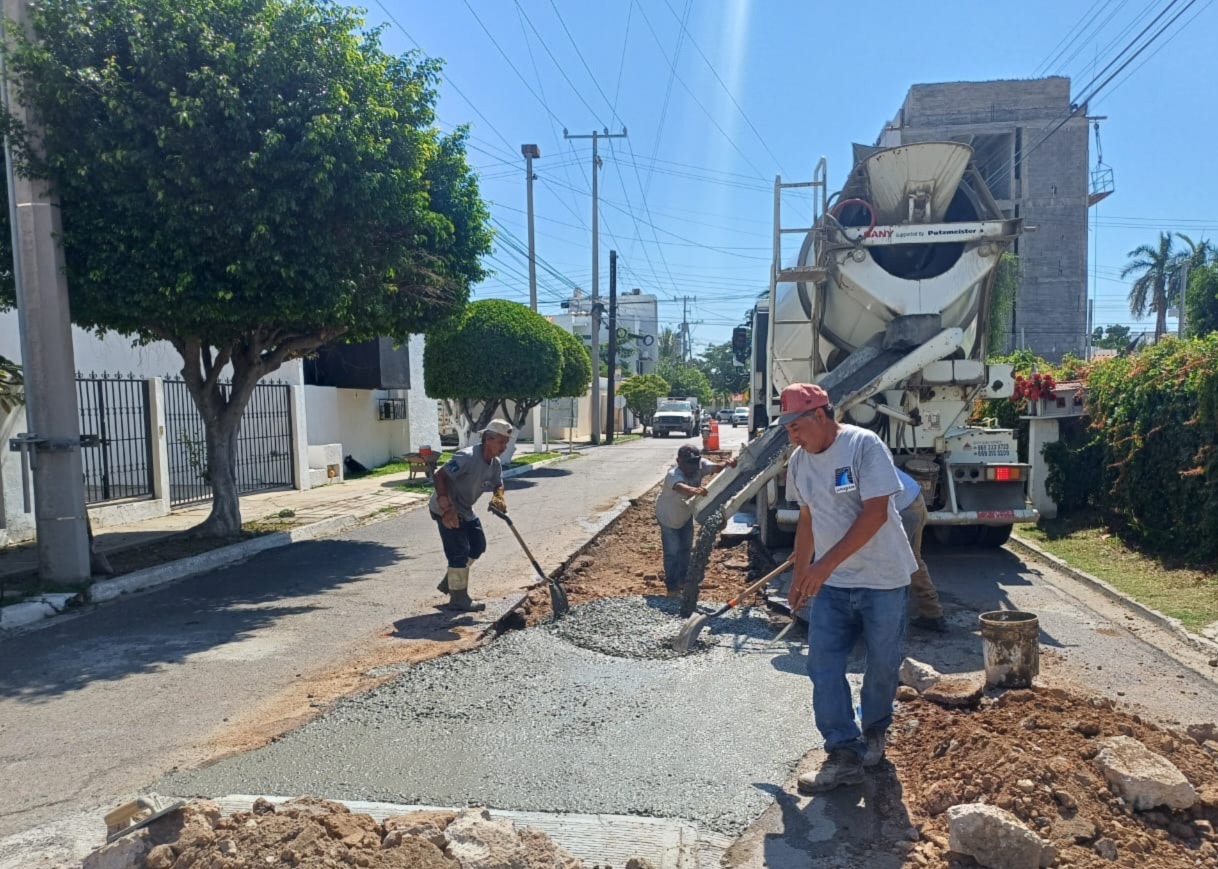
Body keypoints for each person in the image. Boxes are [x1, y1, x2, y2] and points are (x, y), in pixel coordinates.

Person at [779, 382, 917, 793]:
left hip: (883, 579)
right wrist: (801, 573)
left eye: (796, 425)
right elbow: (807, 518)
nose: (792, 435)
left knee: (882, 664)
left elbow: (875, 514)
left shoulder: (864, 445)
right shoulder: (799, 463)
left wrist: (823, 566)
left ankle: (875, 729)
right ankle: (841, 750)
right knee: (823, 666)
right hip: (834, 586)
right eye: (787, 428)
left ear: (820, 415)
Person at [430, 419, 512, 612]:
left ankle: (452, 580)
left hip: (465, 510)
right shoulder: (466, 457)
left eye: (506, 443)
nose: (504, 447)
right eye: (501, 442)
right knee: (459, 551)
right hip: (446, 508)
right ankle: (458, 599)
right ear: (488, 439)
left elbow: (498, 483)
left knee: (477, 545)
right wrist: (446, 506)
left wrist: (499, 496)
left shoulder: (495, 464)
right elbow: (440, 476)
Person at [654, 444, 737, 598]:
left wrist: (729, 463)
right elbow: (680, 487)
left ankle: (683, 581)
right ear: (679, 461)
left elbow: (717, 467)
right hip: (668, 516)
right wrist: (694, 491)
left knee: (685, 549)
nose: (693, 467)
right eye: (689, 463)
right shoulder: (673, 474)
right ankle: (672, 587)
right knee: (672, 552)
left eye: (695, 463)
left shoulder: (700, 465)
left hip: (685, 515)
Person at [894, 467, 948, 633]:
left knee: (910, 560)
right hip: (909, 500)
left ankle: (932, 614)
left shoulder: (847, 459)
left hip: (907, 507)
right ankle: (931, 613)